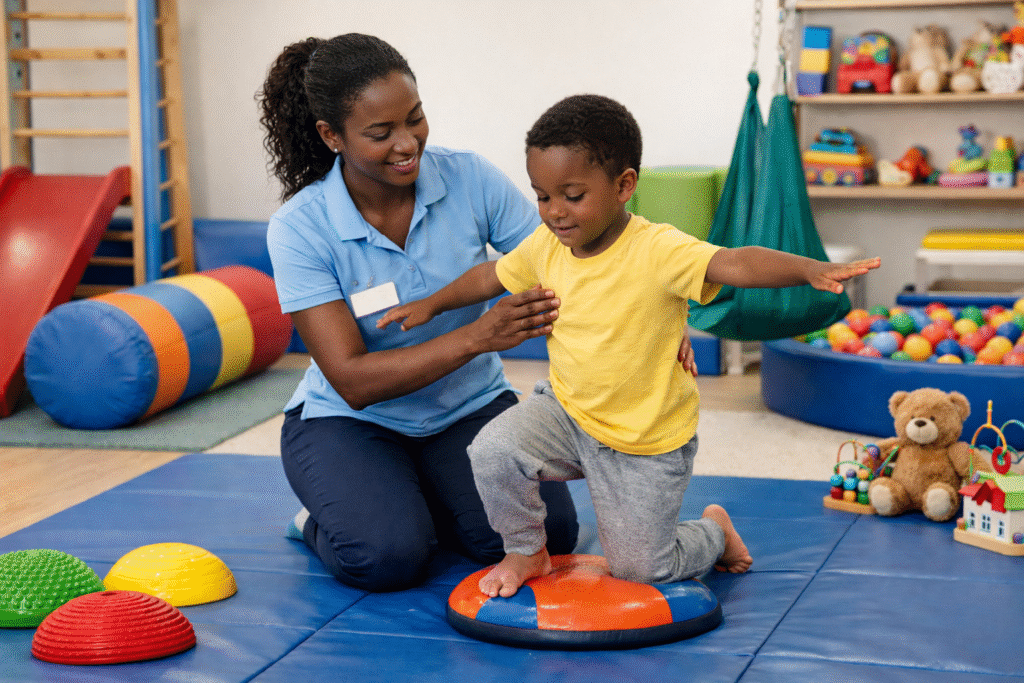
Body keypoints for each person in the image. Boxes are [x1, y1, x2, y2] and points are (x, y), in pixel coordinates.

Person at [378, 93, 881, 598]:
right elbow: (492, 275)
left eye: (572, 196)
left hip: (645, 440)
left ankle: (712, 533)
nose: (554, 212)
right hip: (568, 413)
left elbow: (735, 263)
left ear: (624, 186)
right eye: (542, 195)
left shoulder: (658, 248)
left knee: (642, 571)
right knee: (492, 450)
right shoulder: (548, 245)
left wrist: (808, 269)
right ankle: (526, 551)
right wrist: (433, 304)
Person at [256, 33, 587, 592]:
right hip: (351, 422)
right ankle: (318, 522)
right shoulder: (300, 227)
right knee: (386, 557)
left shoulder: (469, 179)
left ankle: (423, 494)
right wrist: (477, 336)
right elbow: (352, 380)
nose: (407, 143)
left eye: (415, 119)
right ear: (331, 136)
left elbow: (569, 261)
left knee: (549, 537)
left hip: (467, 407)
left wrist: (653, 319)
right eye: (381, 134)